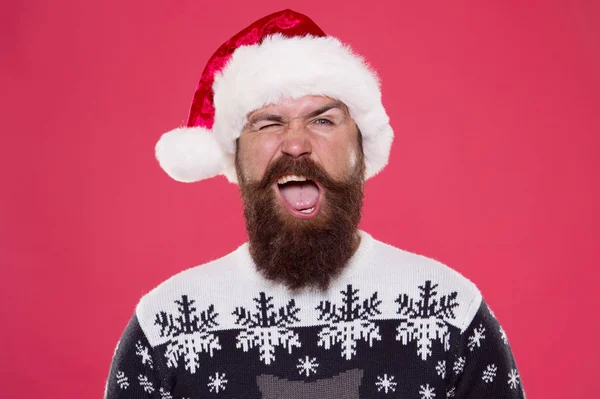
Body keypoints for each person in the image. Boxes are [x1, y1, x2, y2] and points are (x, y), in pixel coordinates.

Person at [105, 9, 525, 399]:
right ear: (235, 155)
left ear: (361, 147)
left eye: (323, 120)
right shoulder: (164, 328)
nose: (295, 144)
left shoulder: (449, 313)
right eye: (268, 123)